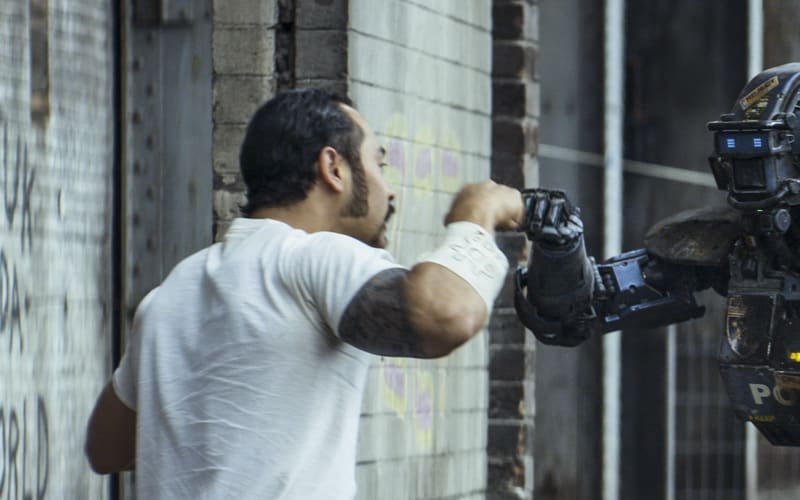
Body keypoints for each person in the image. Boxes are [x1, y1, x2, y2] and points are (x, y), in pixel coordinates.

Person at [84, 88, 524, 499]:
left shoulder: (169, 295)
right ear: (333, 167)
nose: (389, 190)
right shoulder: (313, 258)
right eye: (379, 164)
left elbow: (104, 448)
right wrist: (477, 215)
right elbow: (446, 315)